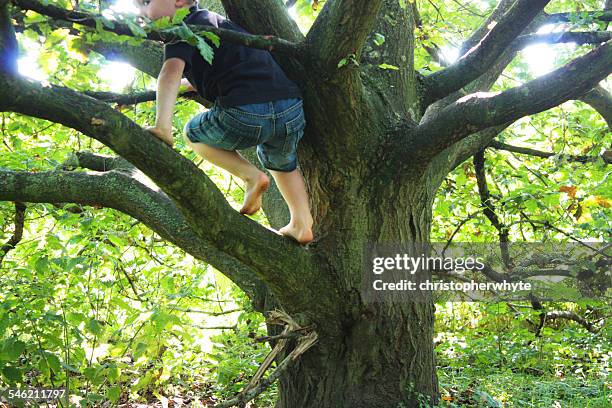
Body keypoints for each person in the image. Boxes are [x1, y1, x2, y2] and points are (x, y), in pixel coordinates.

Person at [134, 0, 313, 244]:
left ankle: (250, 175)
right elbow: (226, 67)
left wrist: (162, 126)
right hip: (290, 108)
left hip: (246, 112)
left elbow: (169, 72)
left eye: (145, 2)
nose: (142, 12)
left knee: (193, 133)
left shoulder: (183, 29)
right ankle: (301, 223)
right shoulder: (217, 24)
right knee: (283, 163)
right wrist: (192, 84)